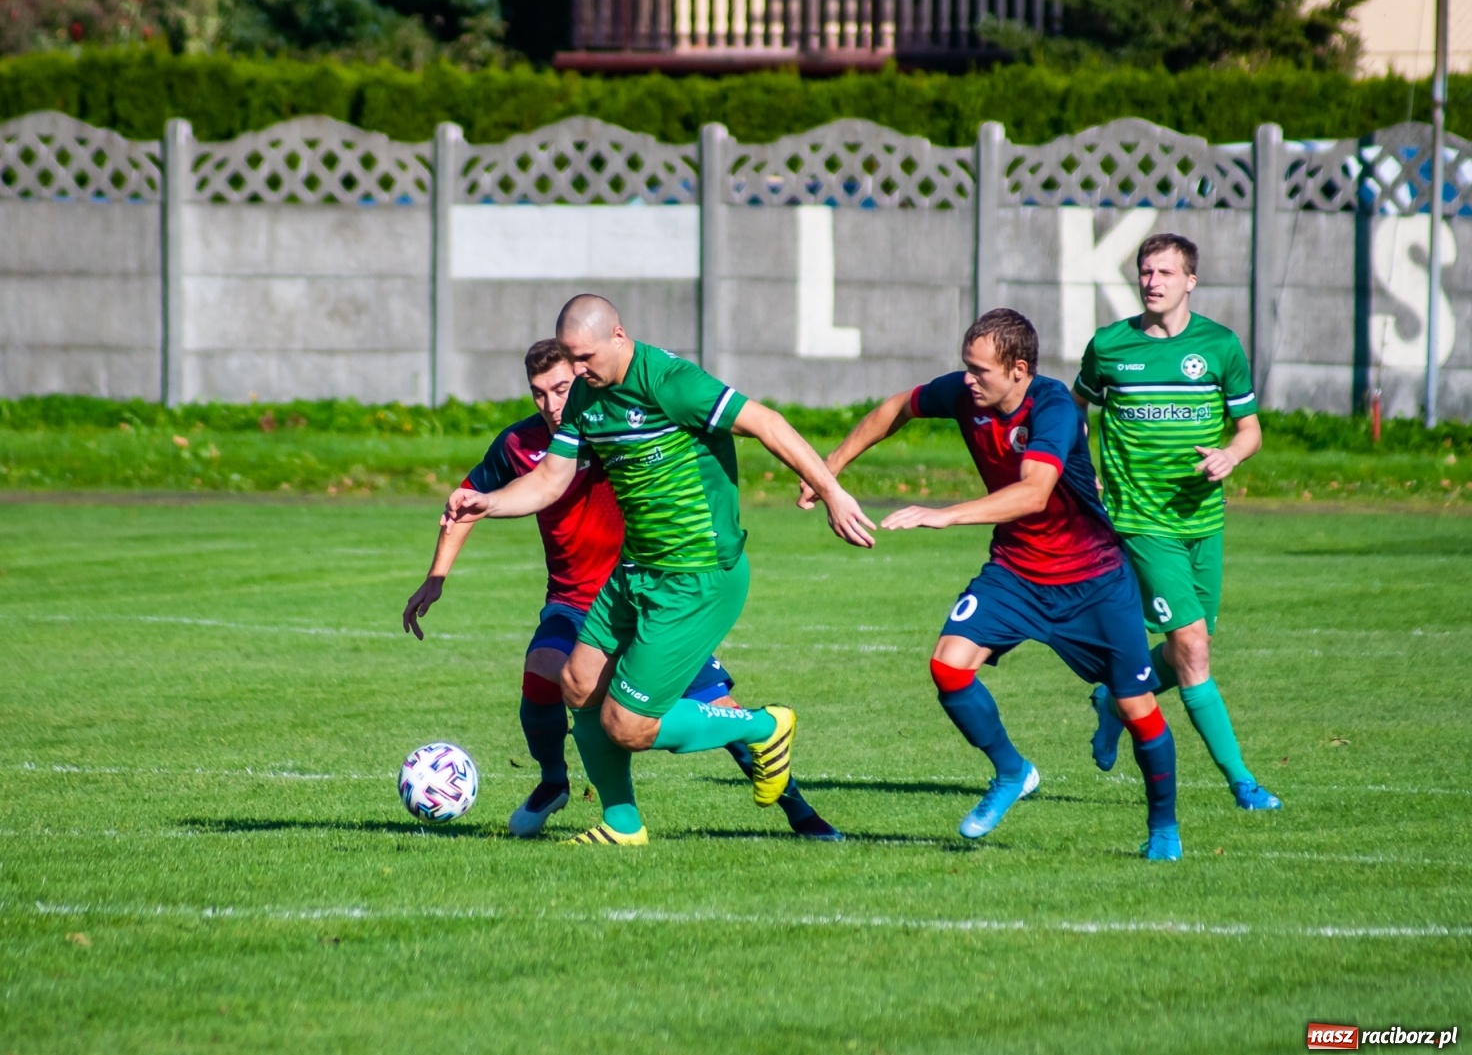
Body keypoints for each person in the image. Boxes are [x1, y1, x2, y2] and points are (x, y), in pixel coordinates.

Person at [443, 295, 875, 845]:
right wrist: (490, 502)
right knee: (577, 684)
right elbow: (551, 478)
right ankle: (623, 825)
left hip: (698, 574)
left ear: (619, 336)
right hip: (637, 571)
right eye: (570, 359)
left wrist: (833, 492)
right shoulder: (585, 396)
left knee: (627, 726)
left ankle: (766, 727)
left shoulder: (670, 381)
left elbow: (767, 422)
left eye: (585, 357)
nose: (577, 371)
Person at [802, 308, 1183, 860]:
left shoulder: (1053, 408)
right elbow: (897, 408)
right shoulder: (966, 395)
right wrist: (829, 468)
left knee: (1137, 707)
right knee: (948, 665)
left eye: (980, 370)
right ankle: (1012, 771)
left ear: (1019, 369)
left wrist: (945, 514)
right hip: (1016, 571)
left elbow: (1034, 493)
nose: (969, 380)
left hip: (1092, 578)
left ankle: (1163, 829)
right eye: (966, 368)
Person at [1074, 233, 1281, 812]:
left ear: (1190, 280)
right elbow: (1074, 407)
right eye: (1145, 271)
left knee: (1193, 646)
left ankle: (1114, 702)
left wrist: (1231, 456)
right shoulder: (1111, 345)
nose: (1153, 281)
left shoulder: (1219, 347)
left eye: (1165, 272)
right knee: (1191, 647)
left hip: (1203, 520)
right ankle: (1242, 782)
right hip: (1140, 518)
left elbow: (1250, 429)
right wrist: (1079, 468)